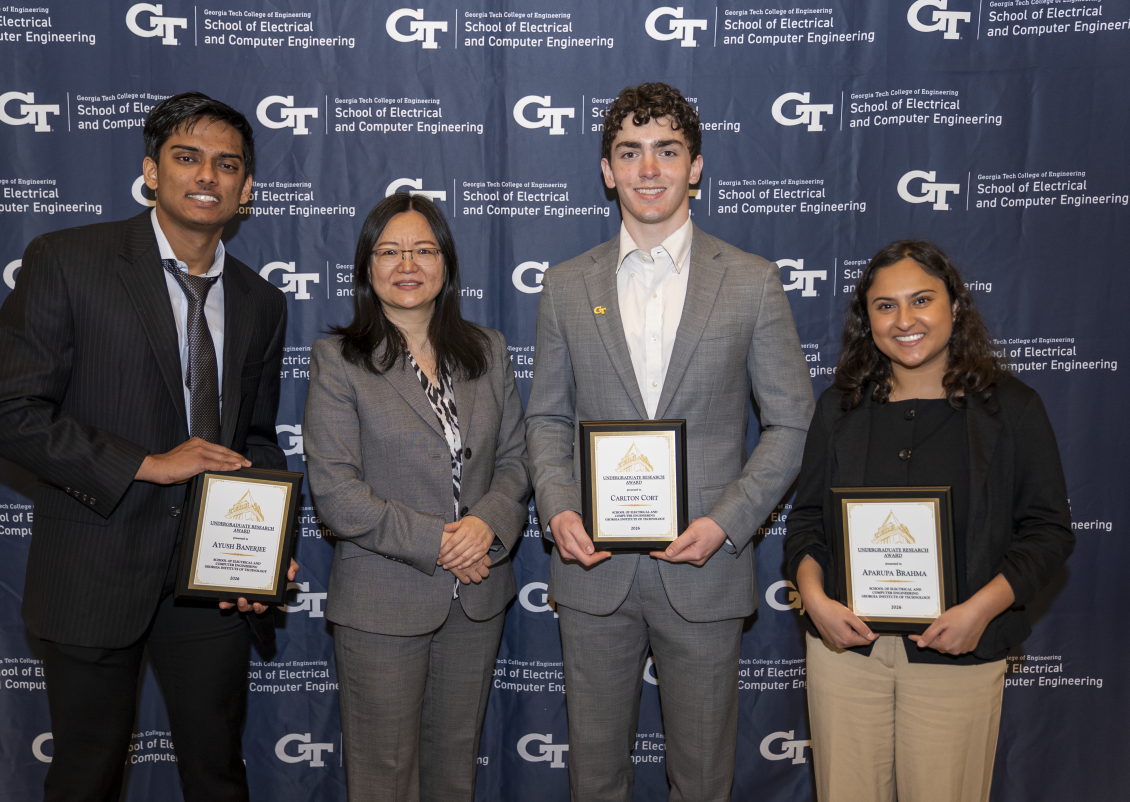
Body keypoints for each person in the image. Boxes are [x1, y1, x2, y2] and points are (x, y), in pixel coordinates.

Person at [0, 92, 296, 802]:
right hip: (93, 565)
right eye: (186, 157)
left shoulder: (261, 302)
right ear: (151, 171)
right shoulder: (68, 260)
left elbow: (256, 440)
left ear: (247, 190)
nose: (206, 175)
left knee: (218, 774)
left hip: (212, 581)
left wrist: (261, 547)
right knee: (86, 777)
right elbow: (2, 411)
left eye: (227, 164)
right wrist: (145, 464)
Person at [524, 82, 815, 801]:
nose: (647, 169)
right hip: (592, 572)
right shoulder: (565, 287)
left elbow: (791, 422)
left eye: (666, 151)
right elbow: (547, 420)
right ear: (606, 170)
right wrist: (558, 507)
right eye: (630, 152)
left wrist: (727, 522)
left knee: (703, 781)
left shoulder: (750, 283)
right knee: (594, 779)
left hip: (705, 571)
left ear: (695, 167)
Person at [784, 240, 1074, 802]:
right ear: (866, 321)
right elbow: (808, 522)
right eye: (885, 306)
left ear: (955, 307)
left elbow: (1047, 530)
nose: (905, 320)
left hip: (957, 652)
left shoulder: (1011, 409)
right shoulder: (838, 409)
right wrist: (816, 602)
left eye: (922, 300)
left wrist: (979, 611)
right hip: (846, 654)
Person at [303, 193, 530, 801]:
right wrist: (446, 543)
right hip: (383, 600)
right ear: (367, 268)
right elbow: (337, 495)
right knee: (385, 777)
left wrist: (487, 522)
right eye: (390, 251)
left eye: (424, 250)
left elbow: (517, 460)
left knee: (453, 772)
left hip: (476, 600)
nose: (408, 264)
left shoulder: (488, 350)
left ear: (447, 264)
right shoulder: (338, 359)